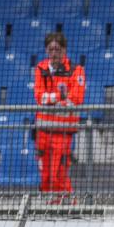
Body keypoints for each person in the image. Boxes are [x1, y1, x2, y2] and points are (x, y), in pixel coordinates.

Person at [34, 31, 86, 205]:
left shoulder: (75, 69)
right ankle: (50, 205)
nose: (54, 53)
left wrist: (52, 100)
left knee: (59, 172)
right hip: (43, 131)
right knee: (45, 173)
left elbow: (76, 99)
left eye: (57, 49)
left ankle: (71, 206)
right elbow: (39, 96)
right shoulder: (40, 68)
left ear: (64, 50)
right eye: (50, 49)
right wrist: (59, 97)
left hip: (64, 132)